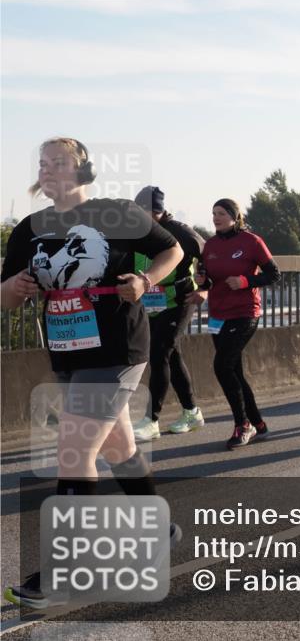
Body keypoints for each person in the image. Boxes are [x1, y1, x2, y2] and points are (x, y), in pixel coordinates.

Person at [1, 138, 183, 608]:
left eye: (59, 162)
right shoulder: (29, 230)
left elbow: (174, 252)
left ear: (83, 170)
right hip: (68, 353)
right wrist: (14, 287)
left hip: (118, 348)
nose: (48, 170)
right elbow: (4, 295)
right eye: (42, 163)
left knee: (73, 450)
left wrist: (145, 281)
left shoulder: (115, 214)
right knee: (119, 446)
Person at [192, 199, 280, 449]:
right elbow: (208, 282)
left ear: (234, 216)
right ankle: (259, 424)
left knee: (222, 366)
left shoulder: (252, 241)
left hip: (245, 313)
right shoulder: (209, 245)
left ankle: (243, 425)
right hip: (219, 315)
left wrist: (245, 282)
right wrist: (202, 281)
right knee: (234, 371)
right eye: (213, 214)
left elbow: (274, 274)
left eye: (221, 213)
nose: (215, 218)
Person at [132, 186, 206, 441]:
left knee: (159, 353)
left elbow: (210, 255)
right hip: (151, 303)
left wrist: (206, 289)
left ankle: (151, 420)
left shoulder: (180, 232)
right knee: (171, 357)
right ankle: (192, 412)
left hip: (179, 300)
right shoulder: (135, 231)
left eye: (146, 212)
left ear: (158, 211)